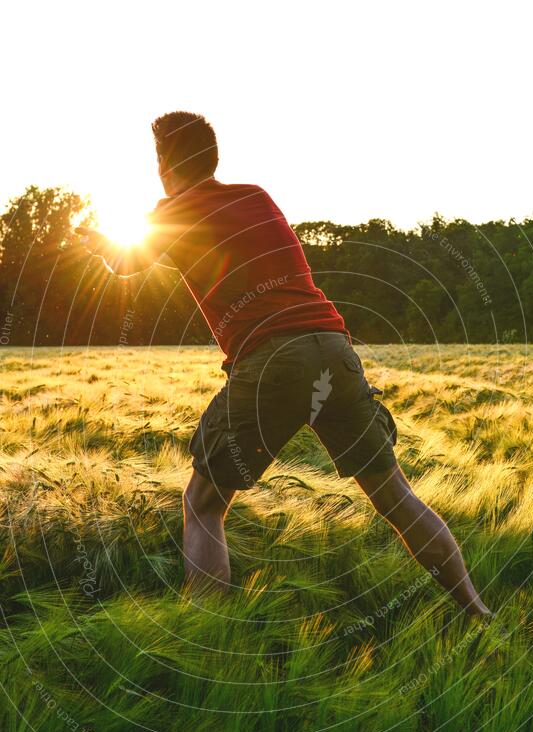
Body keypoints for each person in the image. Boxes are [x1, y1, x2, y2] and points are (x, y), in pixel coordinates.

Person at [78, 111, 491, 617]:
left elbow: (126, 264)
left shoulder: (171, 211)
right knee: (395, 498)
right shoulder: (255, 196)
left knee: (203, 505)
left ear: (164, 160)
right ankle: (477, 612)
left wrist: (96, 244)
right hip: (334, 346)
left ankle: (210, 638)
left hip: (271, 355)